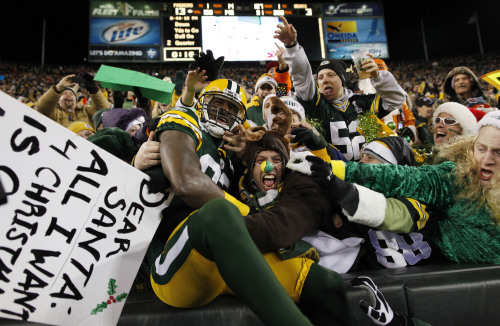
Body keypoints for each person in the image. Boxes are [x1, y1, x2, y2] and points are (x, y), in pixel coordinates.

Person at [146, 78, 354, 325]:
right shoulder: (195, 132)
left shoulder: (280, 174)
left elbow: (279, 217)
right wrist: (137, 161)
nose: (223, 112)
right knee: (218, 212)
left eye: (231, 108)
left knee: (326, 284)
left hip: (237, 253)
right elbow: (186, 180)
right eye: (216, 104)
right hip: (183, 263)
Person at [289, 110, 500, 265]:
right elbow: (374, 179)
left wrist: (343, 188)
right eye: (481, 149)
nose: (486, 159)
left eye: (498, 152)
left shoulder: (417, 198)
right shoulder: (450, 178)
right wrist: (331, 170)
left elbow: (395, 208)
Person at [274, 16, 406, 161]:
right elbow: (301, 77)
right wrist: (292, 46)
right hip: (333, 174)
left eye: (330, 75)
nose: (324, 80)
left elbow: (396, 99)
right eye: (320, 77)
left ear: (342, 79)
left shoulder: (360, 102)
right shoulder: (317, 104)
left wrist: (377, 76)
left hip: (365, 170)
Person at [36, 73, 110, 128]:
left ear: (76, 100)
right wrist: (58, 87)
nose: (69, 95)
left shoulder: (86, 111)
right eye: (65, 93)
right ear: (58, 100)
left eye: (72, 94)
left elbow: (104, 110)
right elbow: (42, 108)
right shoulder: (54, 113)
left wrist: (94, 90)